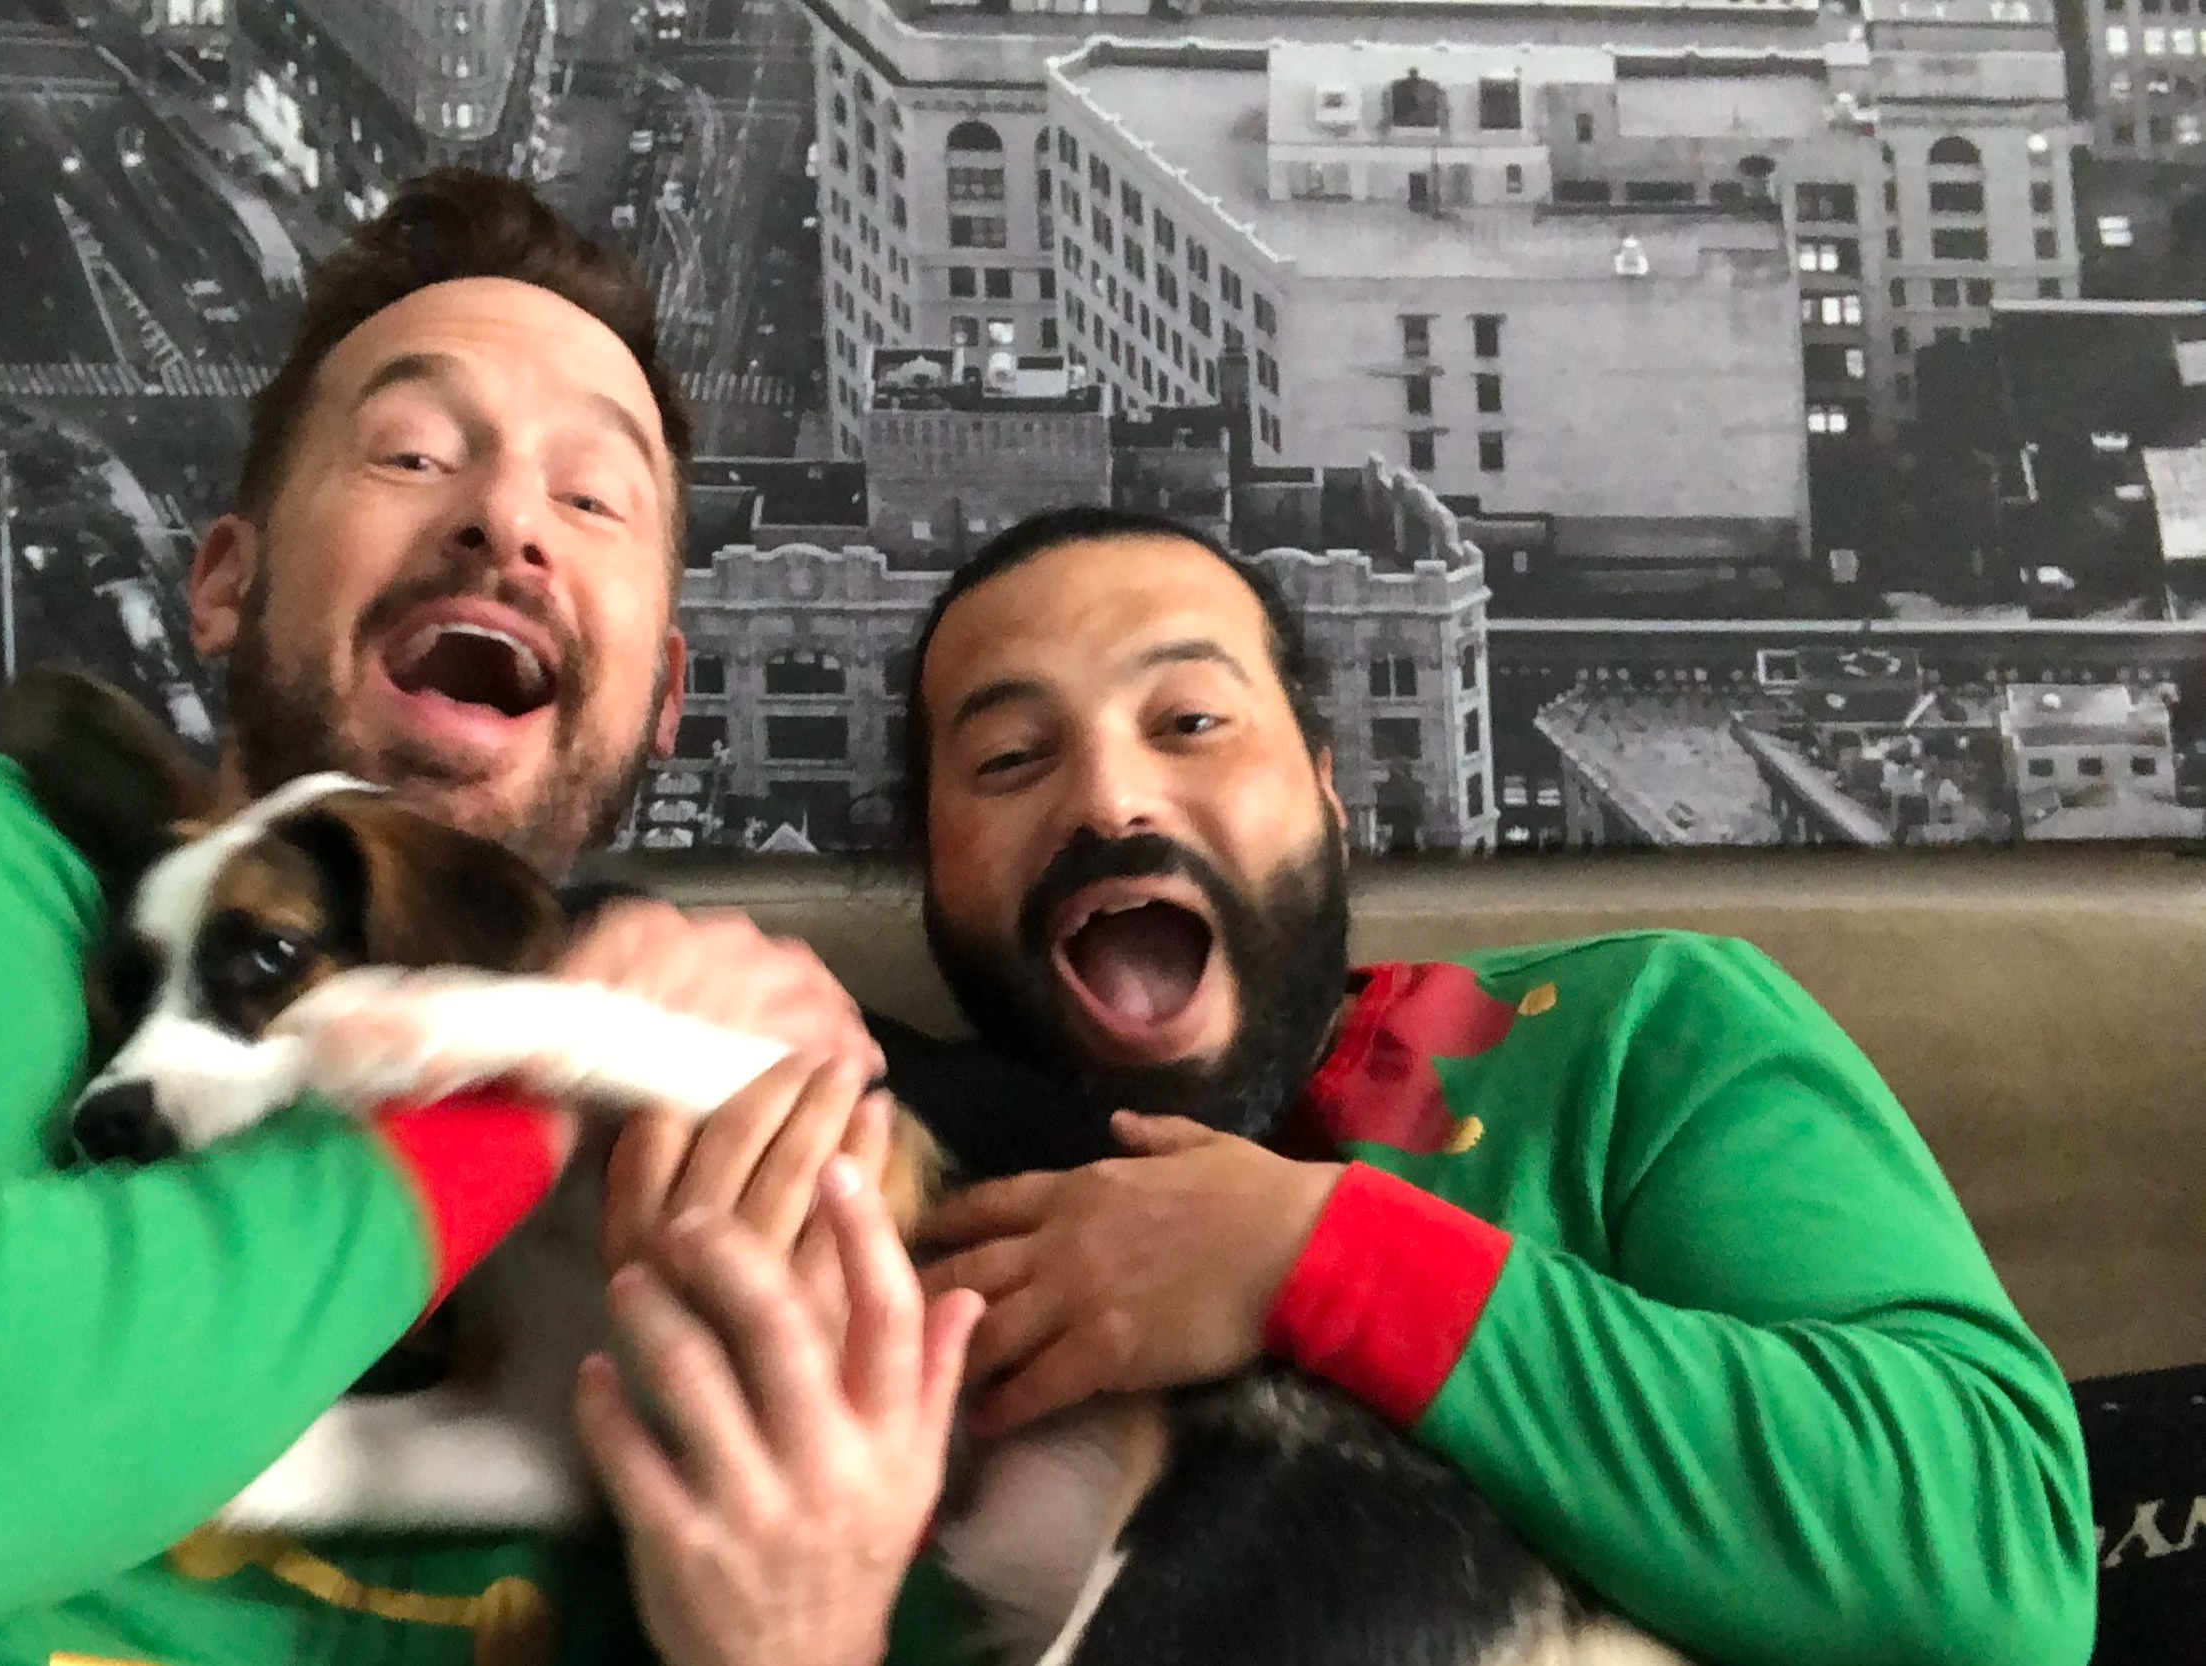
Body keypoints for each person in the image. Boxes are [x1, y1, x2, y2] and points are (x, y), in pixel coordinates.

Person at [0, 170, 980, 1666]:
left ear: (664, 698)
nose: (507, 517)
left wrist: (797, 1638)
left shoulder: (730, 1142)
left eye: (592, 496)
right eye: (414, 450)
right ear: (228, 582)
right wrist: (516, 1088)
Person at [899, 505, 2098, 1666]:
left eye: (1192, 719)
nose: (1109, 797)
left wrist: (1312, 1259)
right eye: (1010, 758)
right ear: (929, 863)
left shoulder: (1645, 1032)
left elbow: (2003, 1580)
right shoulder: (859, 1196)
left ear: (1326, 792)